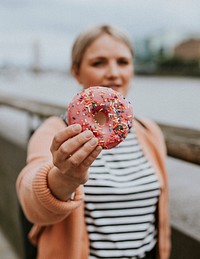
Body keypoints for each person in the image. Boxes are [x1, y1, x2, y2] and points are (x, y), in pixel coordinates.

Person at [16, 24, 171, 259]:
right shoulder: (56, 132)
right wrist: (63, 179)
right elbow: (31, 203)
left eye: (123, 62)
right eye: (98, 62)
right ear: (76, 71)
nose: (113, 73)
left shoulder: (149, 132)